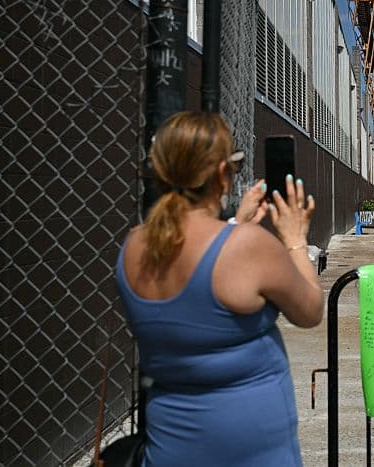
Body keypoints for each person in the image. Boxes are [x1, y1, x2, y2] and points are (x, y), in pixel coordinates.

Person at [116, 111, 323, 466]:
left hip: (170, 446)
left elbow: (194, 280)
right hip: (252, 451)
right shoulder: (247, 246)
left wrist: (234, 224)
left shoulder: (134, 246)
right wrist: (294, 240)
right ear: (221, 174)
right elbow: (309, 311)